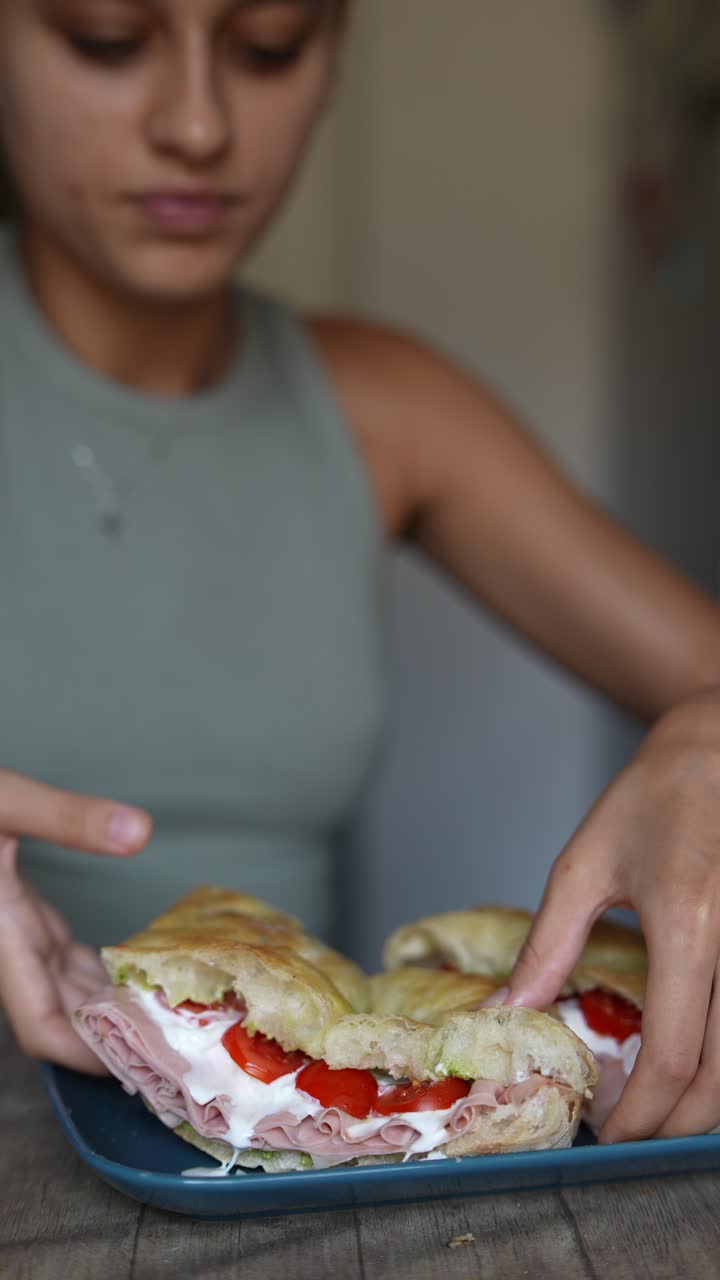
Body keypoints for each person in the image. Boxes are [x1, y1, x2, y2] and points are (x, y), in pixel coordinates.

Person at [1, 0, 719, 1147]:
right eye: (106, 37)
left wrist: (708, 732)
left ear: (333, 54)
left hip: (316, 1186)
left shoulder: (389, 406)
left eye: (268, 45)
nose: (197, 124)